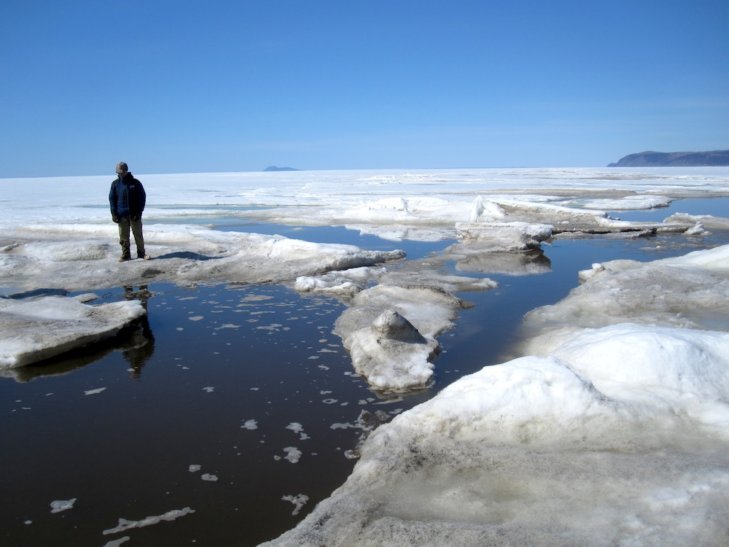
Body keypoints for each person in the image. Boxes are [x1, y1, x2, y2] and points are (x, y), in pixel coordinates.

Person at [109, 162, 150, 261]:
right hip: (121, 215)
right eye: (119, 172)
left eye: (123, 172)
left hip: (134, 215)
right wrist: (114, 213)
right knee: (123, 237)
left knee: (138, 235)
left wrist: (139, 212)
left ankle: (141, 253)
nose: (121, 174)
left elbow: (142, 198)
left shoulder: (135, 183)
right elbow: (112, 199)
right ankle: (126, 255)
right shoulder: (115, 184)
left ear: (126, 171)